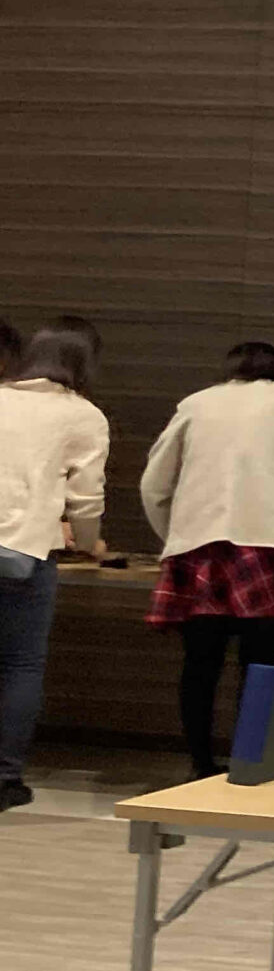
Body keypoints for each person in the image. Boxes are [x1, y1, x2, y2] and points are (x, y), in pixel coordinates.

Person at [140, 340, 274, 778]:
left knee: (200, 664)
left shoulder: (196, 403)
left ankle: (199, 766)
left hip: (198, 545)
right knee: (260, 665)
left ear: (230, 368)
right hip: (268, 545)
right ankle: (250, 766)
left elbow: (154, 485)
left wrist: (175, 534)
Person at [0, 317, 112, 811]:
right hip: (22, 552)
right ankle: (4, 779)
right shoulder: (82, 416)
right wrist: (88, 543)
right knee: (19, 665)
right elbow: (85, 500)